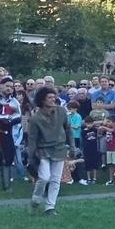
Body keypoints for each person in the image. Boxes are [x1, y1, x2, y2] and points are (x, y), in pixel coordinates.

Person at [27, 87, 74, 216]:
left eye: (54, 97)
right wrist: (31, 157)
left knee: (55, 180)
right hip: (43, 151)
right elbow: (32, 139)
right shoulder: (35, 119)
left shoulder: (61, 111)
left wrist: (72, 147)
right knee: (44, 177)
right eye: (49, 97)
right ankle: (36, 200)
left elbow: (68, 130)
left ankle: (50, 207)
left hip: (59, 149)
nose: (53, 99)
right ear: (42, 100)